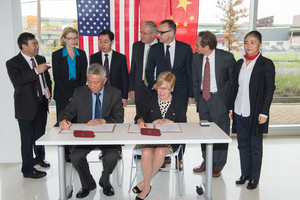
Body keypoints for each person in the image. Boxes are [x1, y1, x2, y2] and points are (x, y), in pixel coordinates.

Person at [58, 63, 124, 198]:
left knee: (112, 156)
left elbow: (119, 117)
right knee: (75, 156)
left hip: (107, 135)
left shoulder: (115, 93)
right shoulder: (80, 92)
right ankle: (87, 183)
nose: (91, 86)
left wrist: (103, 120)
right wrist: (62, 121)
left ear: (105, 80)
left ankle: (105, 182)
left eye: (96, 83)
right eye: (89, 82)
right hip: (86, 135)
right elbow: (67, 111)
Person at [229, 30, 275, 190]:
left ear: (260, 44)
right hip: (239, 110)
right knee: (242, 145)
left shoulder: (266, 64)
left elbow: (270, 89)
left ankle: (254, 177)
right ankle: (245, 174)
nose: (249, 45)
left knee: (255, 146)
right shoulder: (239, 63)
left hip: (256, 112)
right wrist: (230, 108)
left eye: (252, 42)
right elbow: (234, 87)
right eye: (246, 42)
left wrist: (264, 112)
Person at [145, 19, 194, 169]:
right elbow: (148, 71)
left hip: (181, 92)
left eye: (161, 32)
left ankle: (179, 157)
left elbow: (190, 73)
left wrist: (191, 94)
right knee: (161, 122)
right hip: (162, 94)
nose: (158, 34)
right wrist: (157, 87)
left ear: (172, 33)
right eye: (158, 32)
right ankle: (164, 154)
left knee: (179, 124)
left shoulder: (185, 48)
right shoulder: (154, 49)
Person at [132, 71, 186, 200]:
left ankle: (145, 186)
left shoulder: (178, 103)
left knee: (160, 152)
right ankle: (147, 184)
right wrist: (140, 121)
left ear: (172, 88)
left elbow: (183, 125)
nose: (161, 92)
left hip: (170, 140)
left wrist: (170, 121)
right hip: (151, 137)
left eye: (165, 89)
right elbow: (139, 115)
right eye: (159, 88)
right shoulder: (150, 99)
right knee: (145, 153)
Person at [6, 32, 52, 178]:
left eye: (37, 43)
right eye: (34, 44)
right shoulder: (13, 62)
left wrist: (48, 89)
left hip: (41, 102)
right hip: (25, 107)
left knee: (40, 134)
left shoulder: (40, 58)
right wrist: (35, 71)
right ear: (24, 46)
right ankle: (27, 169)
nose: (37, 46)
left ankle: (40, 158)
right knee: (27, 138)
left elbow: (46, 78)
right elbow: (18, 81)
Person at [192, 31, 235, 177]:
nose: (196, 46)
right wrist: (198, 100)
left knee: (221, 132)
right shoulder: (196, 58)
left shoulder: (226, 58)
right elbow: (196, 80)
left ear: (207, 46)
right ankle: (206, 162)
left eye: (198, 45)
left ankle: (218, 165)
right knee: (204, 132)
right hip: (203, 100)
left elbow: (233, 83)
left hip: (219, 101)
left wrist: (230, 106)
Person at [52, 26, 88, 162]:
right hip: (62, 93)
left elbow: (84, 77)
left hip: (78, 92)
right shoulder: (56, 55)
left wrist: (76, 94)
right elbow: (57, 78)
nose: (73, 41)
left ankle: (77, 153)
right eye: (69, 38)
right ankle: (66, 155)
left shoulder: (82, 54)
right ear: (63, 39)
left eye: (75, 38)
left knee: (77, 122)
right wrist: (69, 95)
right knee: (65, 123)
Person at [90, 29, 129, 107]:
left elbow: (124, 79)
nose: (102, 44)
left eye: (105, 42)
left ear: (112, 42)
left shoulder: (120, 58)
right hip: (98, 95)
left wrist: (124, 97)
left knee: (115, 118)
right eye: (100, 41)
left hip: (115, 95)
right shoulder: (94, 57)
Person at [129, 21, 158, 114]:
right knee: (140, 115)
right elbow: (133, 69)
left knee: (155, 114)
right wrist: (132, 88)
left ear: (153, 34)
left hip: (156, 87)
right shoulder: (137, 46)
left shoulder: (161, 46)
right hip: (140, 87)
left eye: (144, 33)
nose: (141, 35)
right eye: (141, 32)